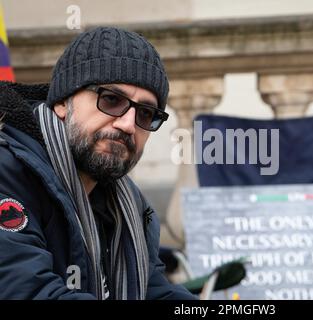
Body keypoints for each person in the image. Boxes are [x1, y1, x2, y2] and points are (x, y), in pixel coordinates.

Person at [0, 26, 196, 300]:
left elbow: (154, 290)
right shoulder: (9, 174)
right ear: (61, 103)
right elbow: (28, 292)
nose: (128, 124)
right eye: (112, 100)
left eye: (145, 113)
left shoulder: (129, 207)